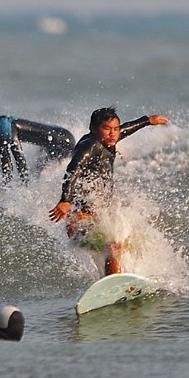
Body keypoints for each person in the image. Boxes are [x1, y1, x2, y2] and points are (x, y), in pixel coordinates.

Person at [50, 106, 170, 276]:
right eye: (107, 129)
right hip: (80, 220)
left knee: (128, 241)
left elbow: (126, 129)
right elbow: (73, 170)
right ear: (93, 129)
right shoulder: (89, 146)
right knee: (113, 244)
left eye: (115, 129)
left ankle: (125, 278)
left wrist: (148, 121)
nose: (113, 133)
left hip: (97, 216)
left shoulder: (108, 139)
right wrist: (65, 200)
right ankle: (114, 284)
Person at [0, 94, 76, 183]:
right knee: (41, 174)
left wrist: (20, 186)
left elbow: (17, 155)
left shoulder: (1, 126)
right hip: (59, 138)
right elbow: (7, 160)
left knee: (50, 176)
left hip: (61, 141)